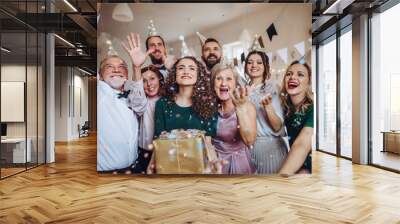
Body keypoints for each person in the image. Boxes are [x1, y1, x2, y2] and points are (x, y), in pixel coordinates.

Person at [149, 56, 219, 173]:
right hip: (169, 167)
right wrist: (151, 166)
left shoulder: (209, 104)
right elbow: (159, 141)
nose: (186, 71)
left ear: (198, 75)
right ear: (174, 74)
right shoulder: (162, 104)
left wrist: (214, 165)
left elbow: (208, 142)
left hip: (199, 167)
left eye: (191, 68)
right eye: (181, 68)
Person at [122, 33, 165, 174]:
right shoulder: (142, 101)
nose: (149, 84)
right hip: (144, 151)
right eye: (144, 81)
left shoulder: (167, 101)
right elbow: (138, 102)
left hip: (165, 151)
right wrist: (136, 67)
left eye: (152, 78)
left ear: (160, 80)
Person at [97, 55, 147, 173]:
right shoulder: (100, 93)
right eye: (110, 67)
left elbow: (140, 105)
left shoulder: (131, 97)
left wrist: (137, 67)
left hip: (134, 168)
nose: (116, 70)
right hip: (106, 173)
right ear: (100, 75)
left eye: (121, 67)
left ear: (127, 74)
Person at [245, 50, 288, 174]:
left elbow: (277, 127)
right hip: (248, 150)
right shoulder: (242, 90)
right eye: (250, 62)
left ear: (265, 67)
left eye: (259, 62)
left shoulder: (273, 89)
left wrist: (268, 107)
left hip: (271, 149)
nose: (254, 65)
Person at [211, 63, 257, 174]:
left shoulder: (246, 106)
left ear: (235, 84)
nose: (223, 83)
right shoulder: (210, 107)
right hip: (215, 165)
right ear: (213, 84)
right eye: (219, 79)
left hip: (238, 165)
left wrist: (240, 109)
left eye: (228, 79)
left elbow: (249, 140)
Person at [279, 61, 314, 175]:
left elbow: (302, 144)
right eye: (289, 74)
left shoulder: (313, 108)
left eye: (300, 74)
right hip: (291, 160)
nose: (292, 77)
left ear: (309, 82)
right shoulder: (284, 107)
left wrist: (279, 178)